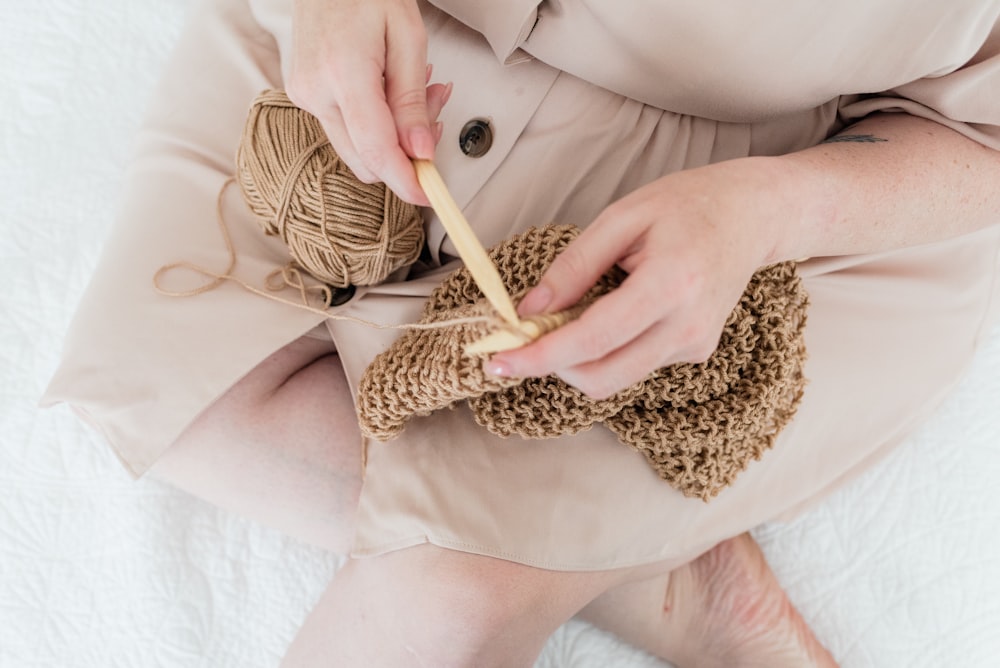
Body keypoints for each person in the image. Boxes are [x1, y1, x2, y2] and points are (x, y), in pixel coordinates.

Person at [42, 0, 1000, 665]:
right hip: (395, 50)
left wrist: (764, 211)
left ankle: (581, 555)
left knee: (451, 599)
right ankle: (663, 583)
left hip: (788, 177)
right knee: (183, 400)